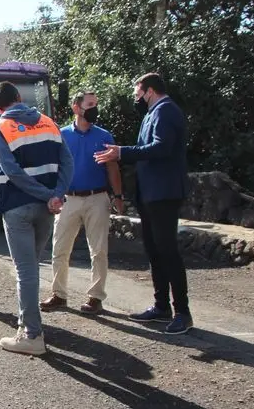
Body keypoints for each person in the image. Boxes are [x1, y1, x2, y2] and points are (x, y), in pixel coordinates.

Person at [94, 73, 192, 334]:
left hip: (164, 193)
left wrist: (122, 152)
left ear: (149, 91)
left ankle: (182, 311)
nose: (136, 99)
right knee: (153, 249)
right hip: (150, 193)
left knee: (167, 250)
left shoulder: (166, 111)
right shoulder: (152, 113)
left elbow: (161, 148)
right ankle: (161, 307)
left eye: (138, 94)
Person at [0, 81, 73, 355]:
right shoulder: (49, 122)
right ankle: (26, 324)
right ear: (18, 97)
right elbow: (67, 162)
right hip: (46, 209)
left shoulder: (0, 128)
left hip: (18, 207)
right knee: (33, 268)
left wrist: (45, 194)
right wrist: (56, 194)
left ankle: (32, 336)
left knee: (25, 272)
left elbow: (11, 171)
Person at [40, 91, 124, 315]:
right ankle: (59, 294)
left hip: (98, 197)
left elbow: (112, 167)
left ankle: (96, 297)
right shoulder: (61, 134)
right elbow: (53, 166)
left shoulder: (104, 136)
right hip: (68, 198)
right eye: (90, 104)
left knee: (99, 250)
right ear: (76, 108)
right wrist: (52, 194)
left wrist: (118, 196)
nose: (94, 108)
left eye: (96, 104)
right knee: (60, 248)